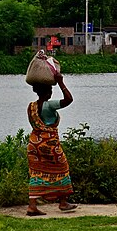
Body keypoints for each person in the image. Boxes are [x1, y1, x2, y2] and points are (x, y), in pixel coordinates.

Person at [26, 70, 77, 216]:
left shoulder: (31, 106)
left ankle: (32, 206)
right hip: (50, 145)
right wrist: (61, 82)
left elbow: (34, 125)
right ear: (47, 92)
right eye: (50, 90)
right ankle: (63, 202)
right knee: (62, 168)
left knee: (36, 173)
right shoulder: (49, 105)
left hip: (34, 145)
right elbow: (68, 100)